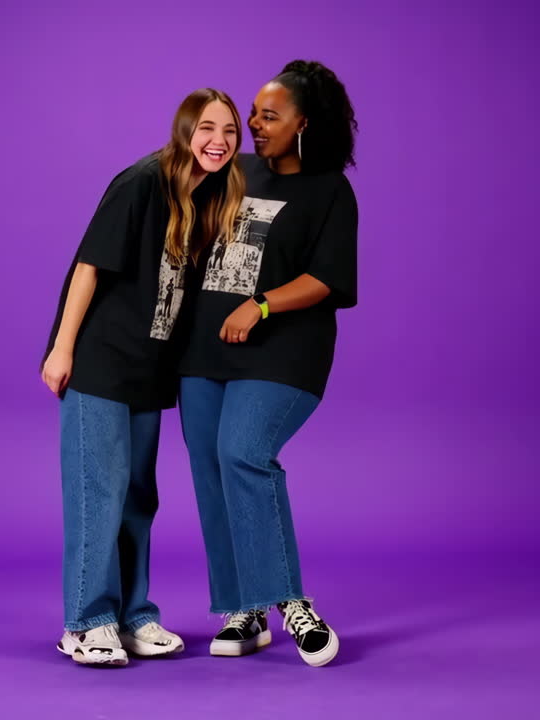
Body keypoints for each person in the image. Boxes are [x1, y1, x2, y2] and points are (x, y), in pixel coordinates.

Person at [41, 88, 245, 666]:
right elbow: (88, 266)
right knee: (97, 492)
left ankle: (132, 617)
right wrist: (61, 350)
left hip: (149, 372)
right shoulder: (140, 182)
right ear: (184, 130)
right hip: (100, 364)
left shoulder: (211, 195)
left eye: (230, 132)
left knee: (137, 498)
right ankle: (86, 622)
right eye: (207, 128)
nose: (219, 142)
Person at [178, 61, 358, 667]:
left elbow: (328, 279)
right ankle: (244, 608)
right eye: (252, 113)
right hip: (204, 349)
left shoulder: (330, 189)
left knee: (243, 452)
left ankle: (289, 601)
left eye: (269, 116)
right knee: (212, 471)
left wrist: (259, 305)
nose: (253, 125)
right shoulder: (236, 169)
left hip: (283, 353)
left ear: (304, 122)